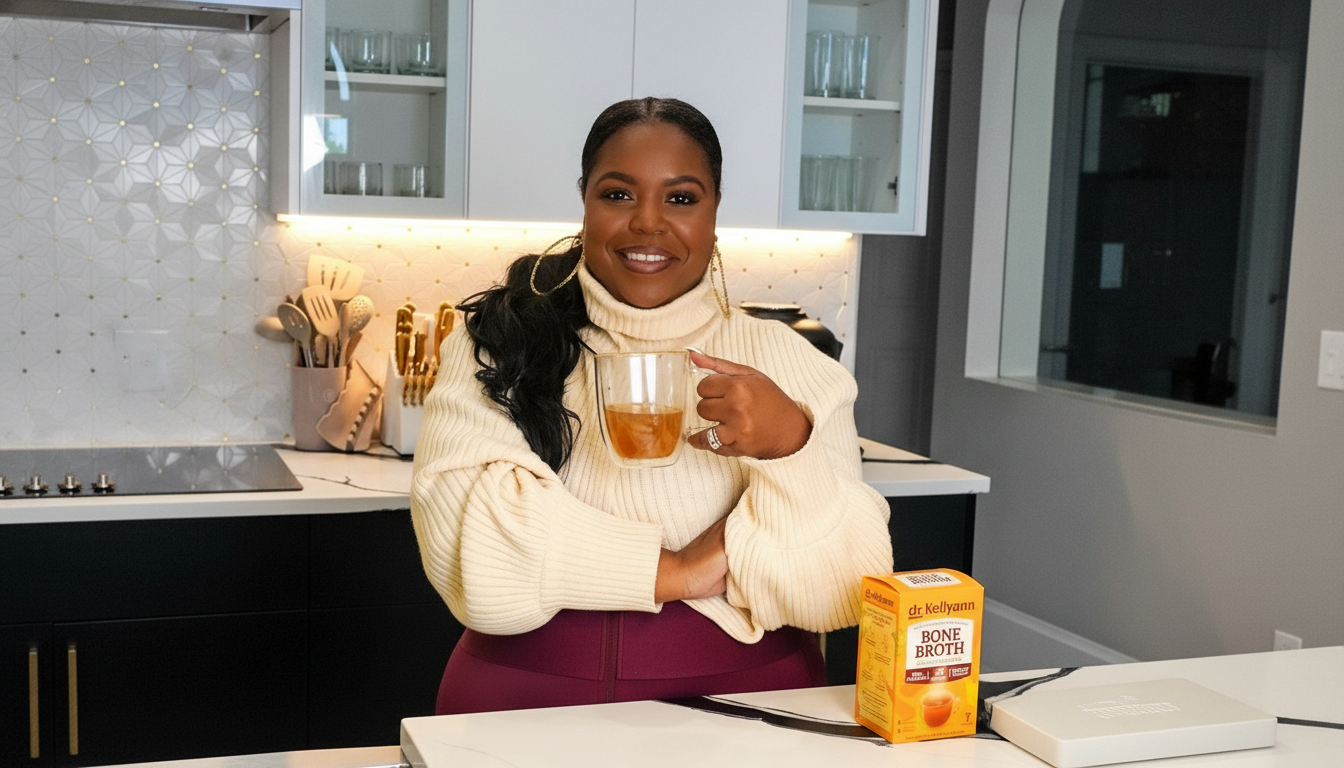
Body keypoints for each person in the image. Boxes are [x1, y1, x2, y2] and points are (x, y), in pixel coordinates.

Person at [410, 97, 893, 715]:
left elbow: (842, 588)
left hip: (748, 702)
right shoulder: (499, 342)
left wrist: (789, 448)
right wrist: (678, 570)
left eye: (681, 198)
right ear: (584, 200)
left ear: (715, 211)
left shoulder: (790, 363)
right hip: (521, 698)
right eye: (617, 194)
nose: (647, 222)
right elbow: (470, 543)